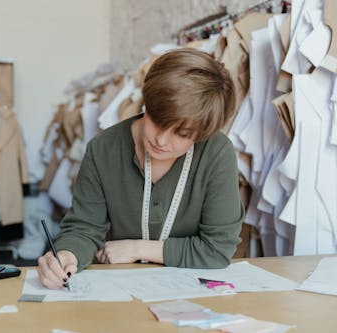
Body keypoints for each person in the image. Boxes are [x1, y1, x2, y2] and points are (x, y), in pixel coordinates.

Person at [38, 48, 244, 289]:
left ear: (202, 134)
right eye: (157, 120)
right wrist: (66, 255)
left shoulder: (216, 153)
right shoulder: (103, 149)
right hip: (122, 293)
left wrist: (137, 248)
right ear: (147, 103)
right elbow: (84, 228)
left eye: (182, 133)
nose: (162, 140)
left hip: (192, 296)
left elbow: (218, 250)